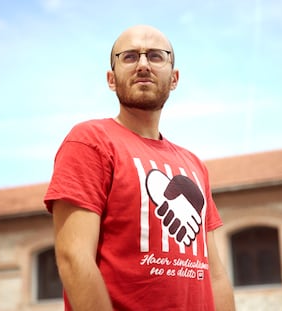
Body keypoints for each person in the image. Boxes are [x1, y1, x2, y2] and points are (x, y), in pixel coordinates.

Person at [44, 24, 236, 311]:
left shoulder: (194, 165)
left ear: (174, 78)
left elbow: (215, 273)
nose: (143, 64)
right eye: (130, 56)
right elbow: (74, 257)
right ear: (111, 79)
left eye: (156, 56)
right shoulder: (90, 141)